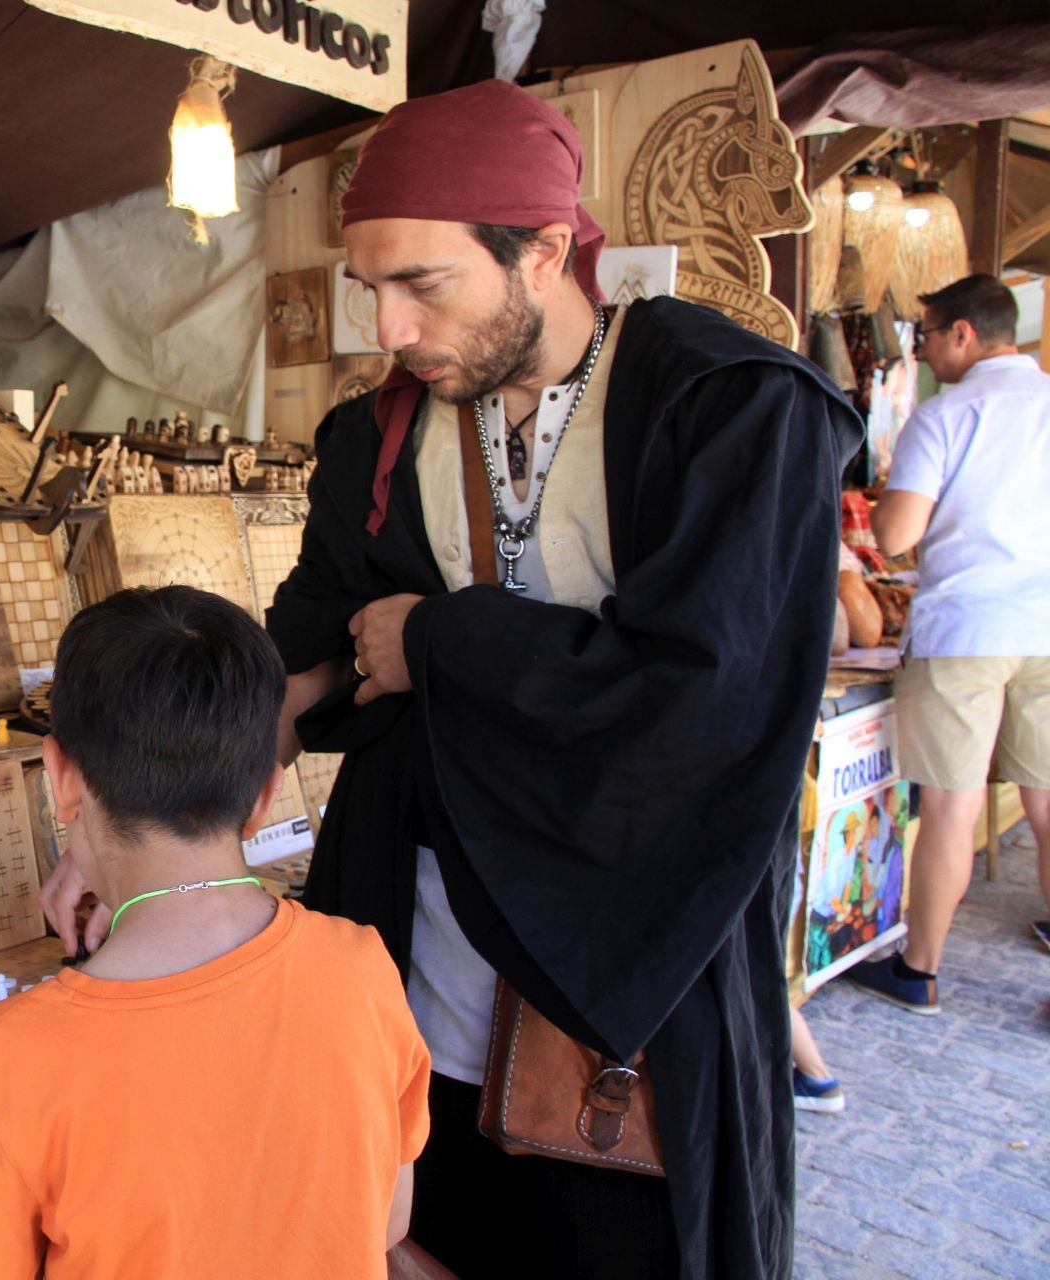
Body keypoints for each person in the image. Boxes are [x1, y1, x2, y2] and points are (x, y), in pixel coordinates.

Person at [189, 79, 851, 1278]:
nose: (387, 327)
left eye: (422, 284)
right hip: (420, 955)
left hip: (627, 993)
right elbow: (303, 655)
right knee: (419, 1230)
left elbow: (709, 703)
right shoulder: (375, 436)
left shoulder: (728, 412)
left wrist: (438, 641)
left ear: (545, 251)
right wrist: (139, 841)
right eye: (369, 287)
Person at [0, 586, 431, 1280]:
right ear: (265, 795)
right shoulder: (361, 970)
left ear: (61, 781)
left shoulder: (9, 1059)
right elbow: (388, 1220)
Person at [851, 273, 1050, 1009]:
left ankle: (920, 969)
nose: (923, 351)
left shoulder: (947, 415)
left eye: (927, 335)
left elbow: (895, 535)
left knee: (951, 806)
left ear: (963, 333)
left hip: (968, 626)